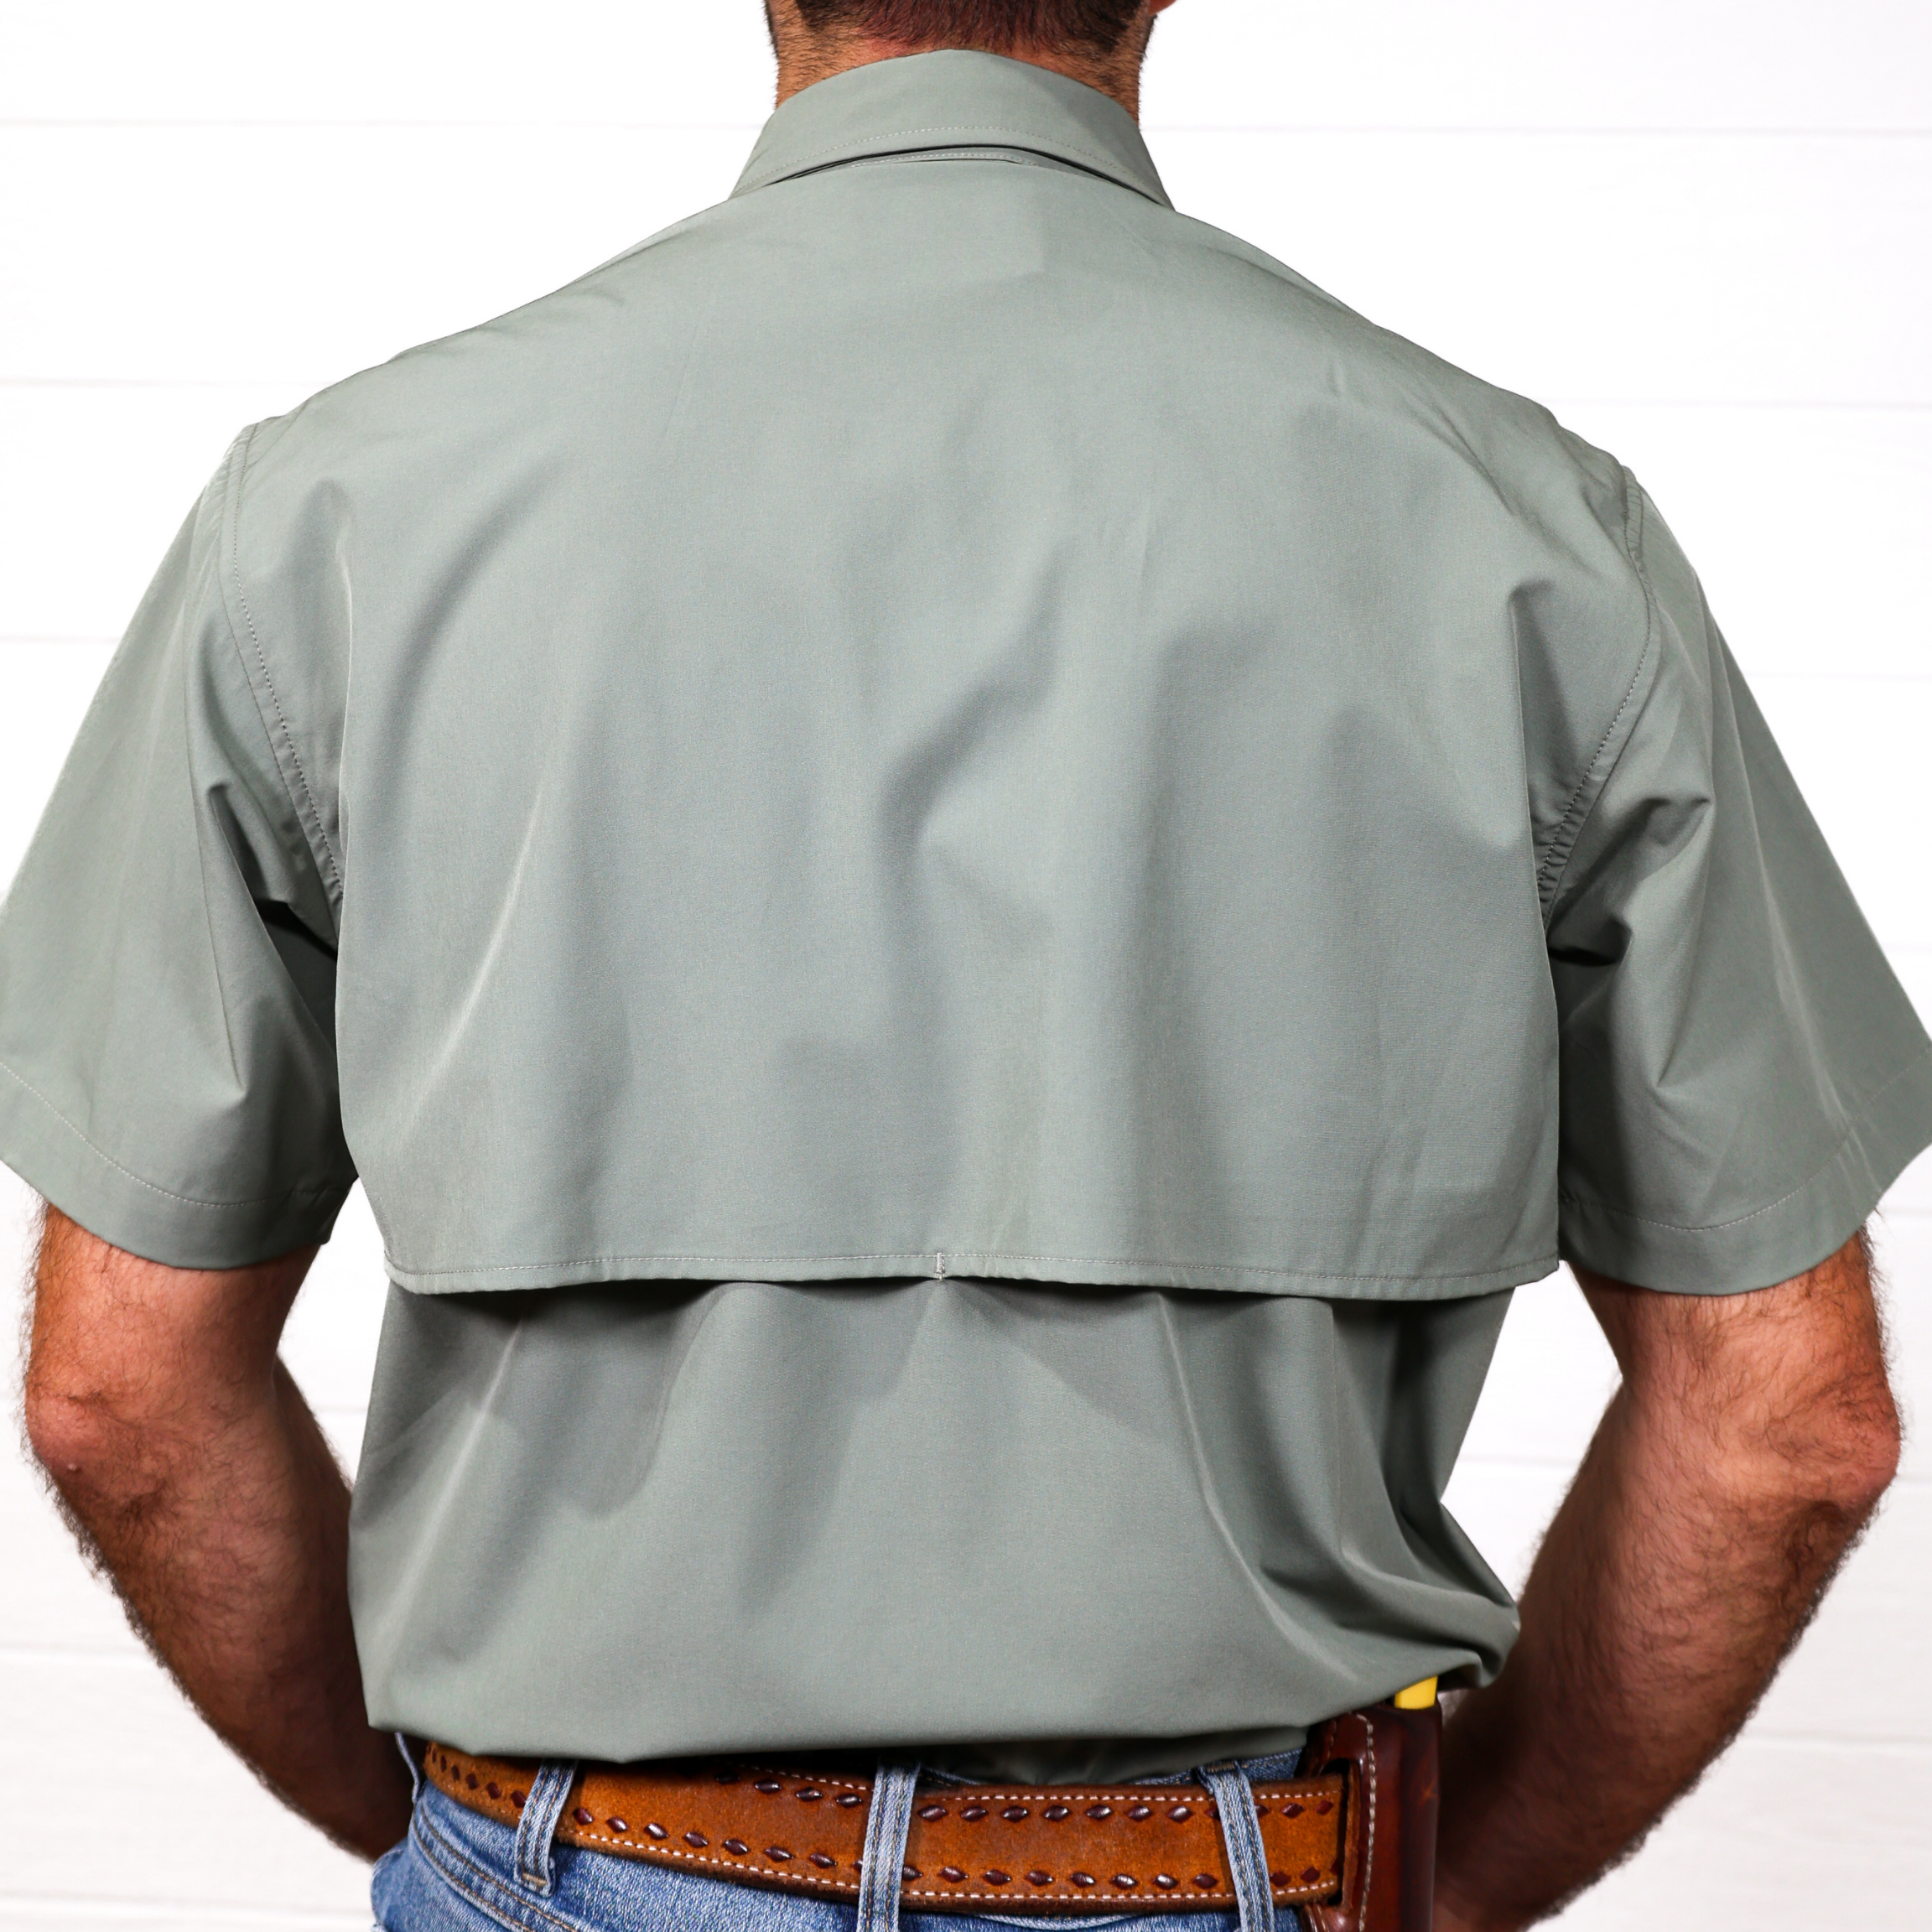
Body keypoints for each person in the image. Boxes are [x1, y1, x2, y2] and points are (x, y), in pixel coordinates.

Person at [7, 3, 1924, 1929]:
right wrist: (1435, 1882)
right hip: (1250, 1880)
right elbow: (1787, 1426)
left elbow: (118, 1387)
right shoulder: (1533, 537)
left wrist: (457, 1813)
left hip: (567, 1869)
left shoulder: (342, 515)